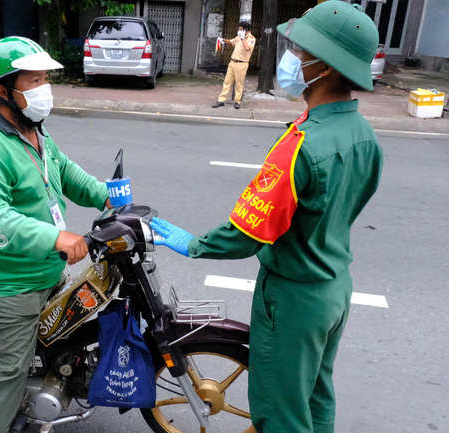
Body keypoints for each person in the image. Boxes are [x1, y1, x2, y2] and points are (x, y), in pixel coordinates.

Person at [152, 2, 383, 432]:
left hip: (292, 298)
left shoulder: (302, 145)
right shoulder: (364, 135)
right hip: (334, 290)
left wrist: (194, 244)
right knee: (315, 397)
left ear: (326, 67)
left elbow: (248, 231)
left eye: (300, 50)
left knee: (278, 411)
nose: (291, 56)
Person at [0, 37, 111, 433]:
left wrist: (107, 197)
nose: (45, 89)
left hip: (43, 270)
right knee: (12, 369)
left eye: (46, 79)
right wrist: (56, 238)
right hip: (7, 284)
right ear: (4, 91)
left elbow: (65, 171)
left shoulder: (33, 131)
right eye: (35, 80)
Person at [213, 21, 256, 110]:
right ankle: (221, 100)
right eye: (239, 29)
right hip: (232, 62)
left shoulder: (251, 38)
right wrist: (222, 40)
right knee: (227, 82)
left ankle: (237, 101)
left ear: (246, 30)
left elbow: (247, 48)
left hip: (242, 63)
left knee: (239, 83)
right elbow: (231, 42)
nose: (239, 31)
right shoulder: (238, 37)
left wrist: (243, 38)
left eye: (241, 30)